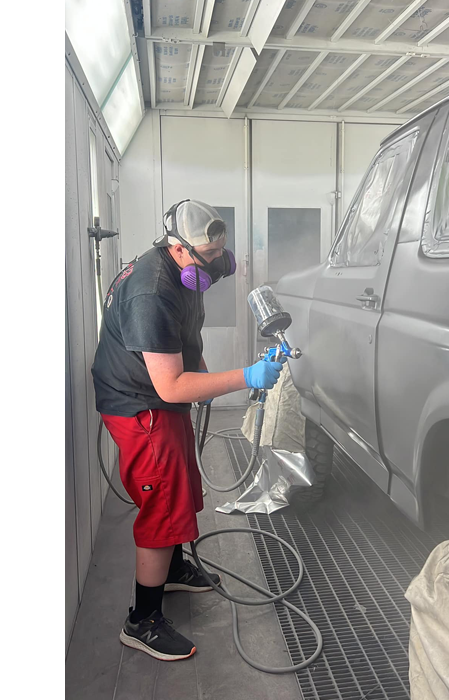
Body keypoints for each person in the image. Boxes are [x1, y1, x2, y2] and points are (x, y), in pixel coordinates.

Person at [91, 199, 284, 662]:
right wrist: (246, 377)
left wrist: (207, 378)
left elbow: (186, 341)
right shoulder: (150, 293)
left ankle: (174, 568)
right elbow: (172, 383)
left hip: (161, 394)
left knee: (180, 487)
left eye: (220, 253)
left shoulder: (191, 263)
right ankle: (143, 621)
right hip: (140, 404)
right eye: (208, 256)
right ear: (178, 249)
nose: (217, 263)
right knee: (161, 504)